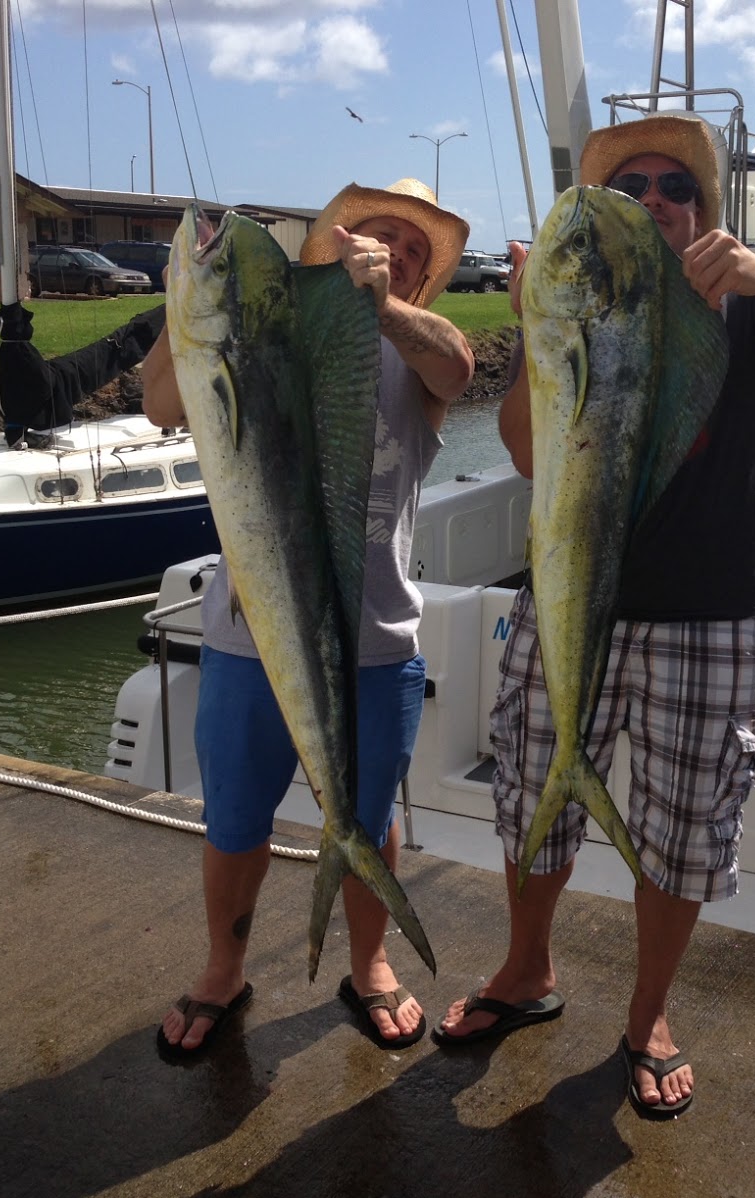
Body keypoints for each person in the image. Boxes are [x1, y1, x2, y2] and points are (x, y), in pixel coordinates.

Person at [433, 114, 755, 1119]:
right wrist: (536, 325)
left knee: (683, 832)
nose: (652, 199)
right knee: (532, 803)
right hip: (568, 602)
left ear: (700, 209)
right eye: (629, 186)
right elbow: (521, 453)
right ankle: (523, 972)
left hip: (710, 616)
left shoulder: (743, 308)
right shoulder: (580, 309)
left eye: (673, 186)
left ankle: (647, 1017)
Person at [140, 180, 475, 1054]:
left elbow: (458, 366)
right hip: (246, 636)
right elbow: (163, 405)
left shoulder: (415, 349)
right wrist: (195, 300)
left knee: (366, 816)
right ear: (336, 235)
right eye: (381, 234)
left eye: (414, 248)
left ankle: (370, 966)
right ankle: (224, 968)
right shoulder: (269, 332)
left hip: (376, 642)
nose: (396, 249)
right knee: (236, 817)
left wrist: (385, 302)